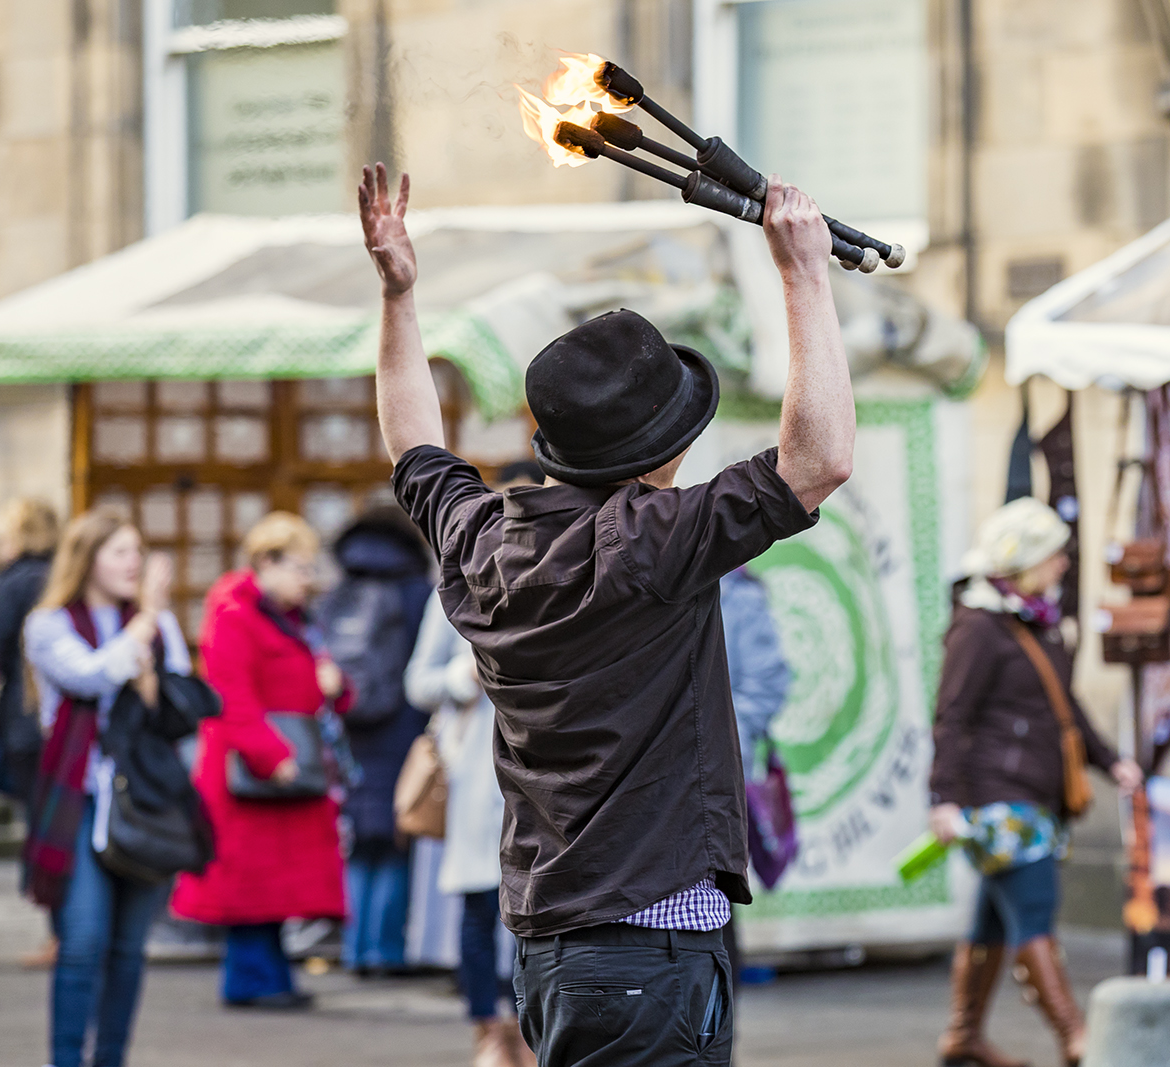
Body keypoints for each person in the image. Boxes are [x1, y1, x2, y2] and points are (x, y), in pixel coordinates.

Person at [361, 159, 854, 1067]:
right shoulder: (653, 543)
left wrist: (399, 297)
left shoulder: (486, 539)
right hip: (647, 952)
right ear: (664, 452)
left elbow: (414, 446)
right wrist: (803, 274)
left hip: (552, 948)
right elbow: (817, 460)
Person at [928, 497, 1143, 1067]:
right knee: (1034, 911)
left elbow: (1061, 706)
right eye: (1053, 555)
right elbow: (952, 716)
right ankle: (1077, 1038)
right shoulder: (978, 626)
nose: (1064, 565)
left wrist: (1109, 759)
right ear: (1023, 561)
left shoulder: (1039, 622)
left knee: (994, 919)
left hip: (1033, 796)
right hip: (1001, 801)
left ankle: (963, 1033)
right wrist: (945, 799)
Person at [23, 508, 189, 1067]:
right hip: (78, 802)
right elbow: (91, 674)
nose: (133, 563)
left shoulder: (157, 625)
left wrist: (151, 679)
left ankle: (111, 1058)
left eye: (137, 552)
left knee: (127, 950)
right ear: (87, 557)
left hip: (143, 801)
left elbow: (181, 703)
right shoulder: (49, 624)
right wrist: (146, 623)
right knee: (82, 944)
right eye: (120, 551)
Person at [170, 512, 349, 1009]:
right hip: (251, 773)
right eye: (299, 567)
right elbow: (231, 696)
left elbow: (313, 689)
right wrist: (271, 757)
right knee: (249, 885)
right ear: (266, 562)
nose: (306, 580)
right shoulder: (233, 614)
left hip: (286, 768)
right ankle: (252, 980)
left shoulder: (291, 618)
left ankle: (270, 977)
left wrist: (338, 688)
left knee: (273, 886)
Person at [404, 459, 544, 1067]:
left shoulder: (564, 579)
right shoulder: (457, 582)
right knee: (479, 898)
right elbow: (417, 683)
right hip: (475, 769)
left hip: (541, 769)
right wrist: (463, 678)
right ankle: (488, 1027)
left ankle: (526, 1026)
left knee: (534, 904)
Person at [317, 507, 433, 977]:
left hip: (350, 728)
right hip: (402, 726)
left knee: (359, 841)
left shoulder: (338, 591)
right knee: (394, 839)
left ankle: (354, 949)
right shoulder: (418, 592)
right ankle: (386, 951)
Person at [718, 566, 791, 987]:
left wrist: (712, 733)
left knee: (715, 904)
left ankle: (715, 1045)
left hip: (716, 776)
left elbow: (768, 682)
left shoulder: (738, 592)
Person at [0, 498, 59, 811]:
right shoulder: (62, 577)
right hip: (65, 716)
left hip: (25, 714)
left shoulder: (14, 583)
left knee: (36, 817)